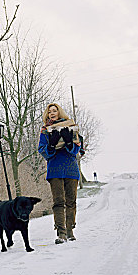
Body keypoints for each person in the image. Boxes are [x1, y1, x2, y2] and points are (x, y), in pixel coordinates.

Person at [38, 103, 81, 244]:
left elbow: (77, 150)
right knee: (58, 202)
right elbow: (43, 150)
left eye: (54, 110)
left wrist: (69, 143)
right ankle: (61, 232)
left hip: (70, 168)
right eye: (49, 111)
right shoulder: (45, 131)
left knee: (71, 201)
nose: (52, 113)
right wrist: (51, 145)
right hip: (55, 169)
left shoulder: (70, 126)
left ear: (59, 112)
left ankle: (70, 231)